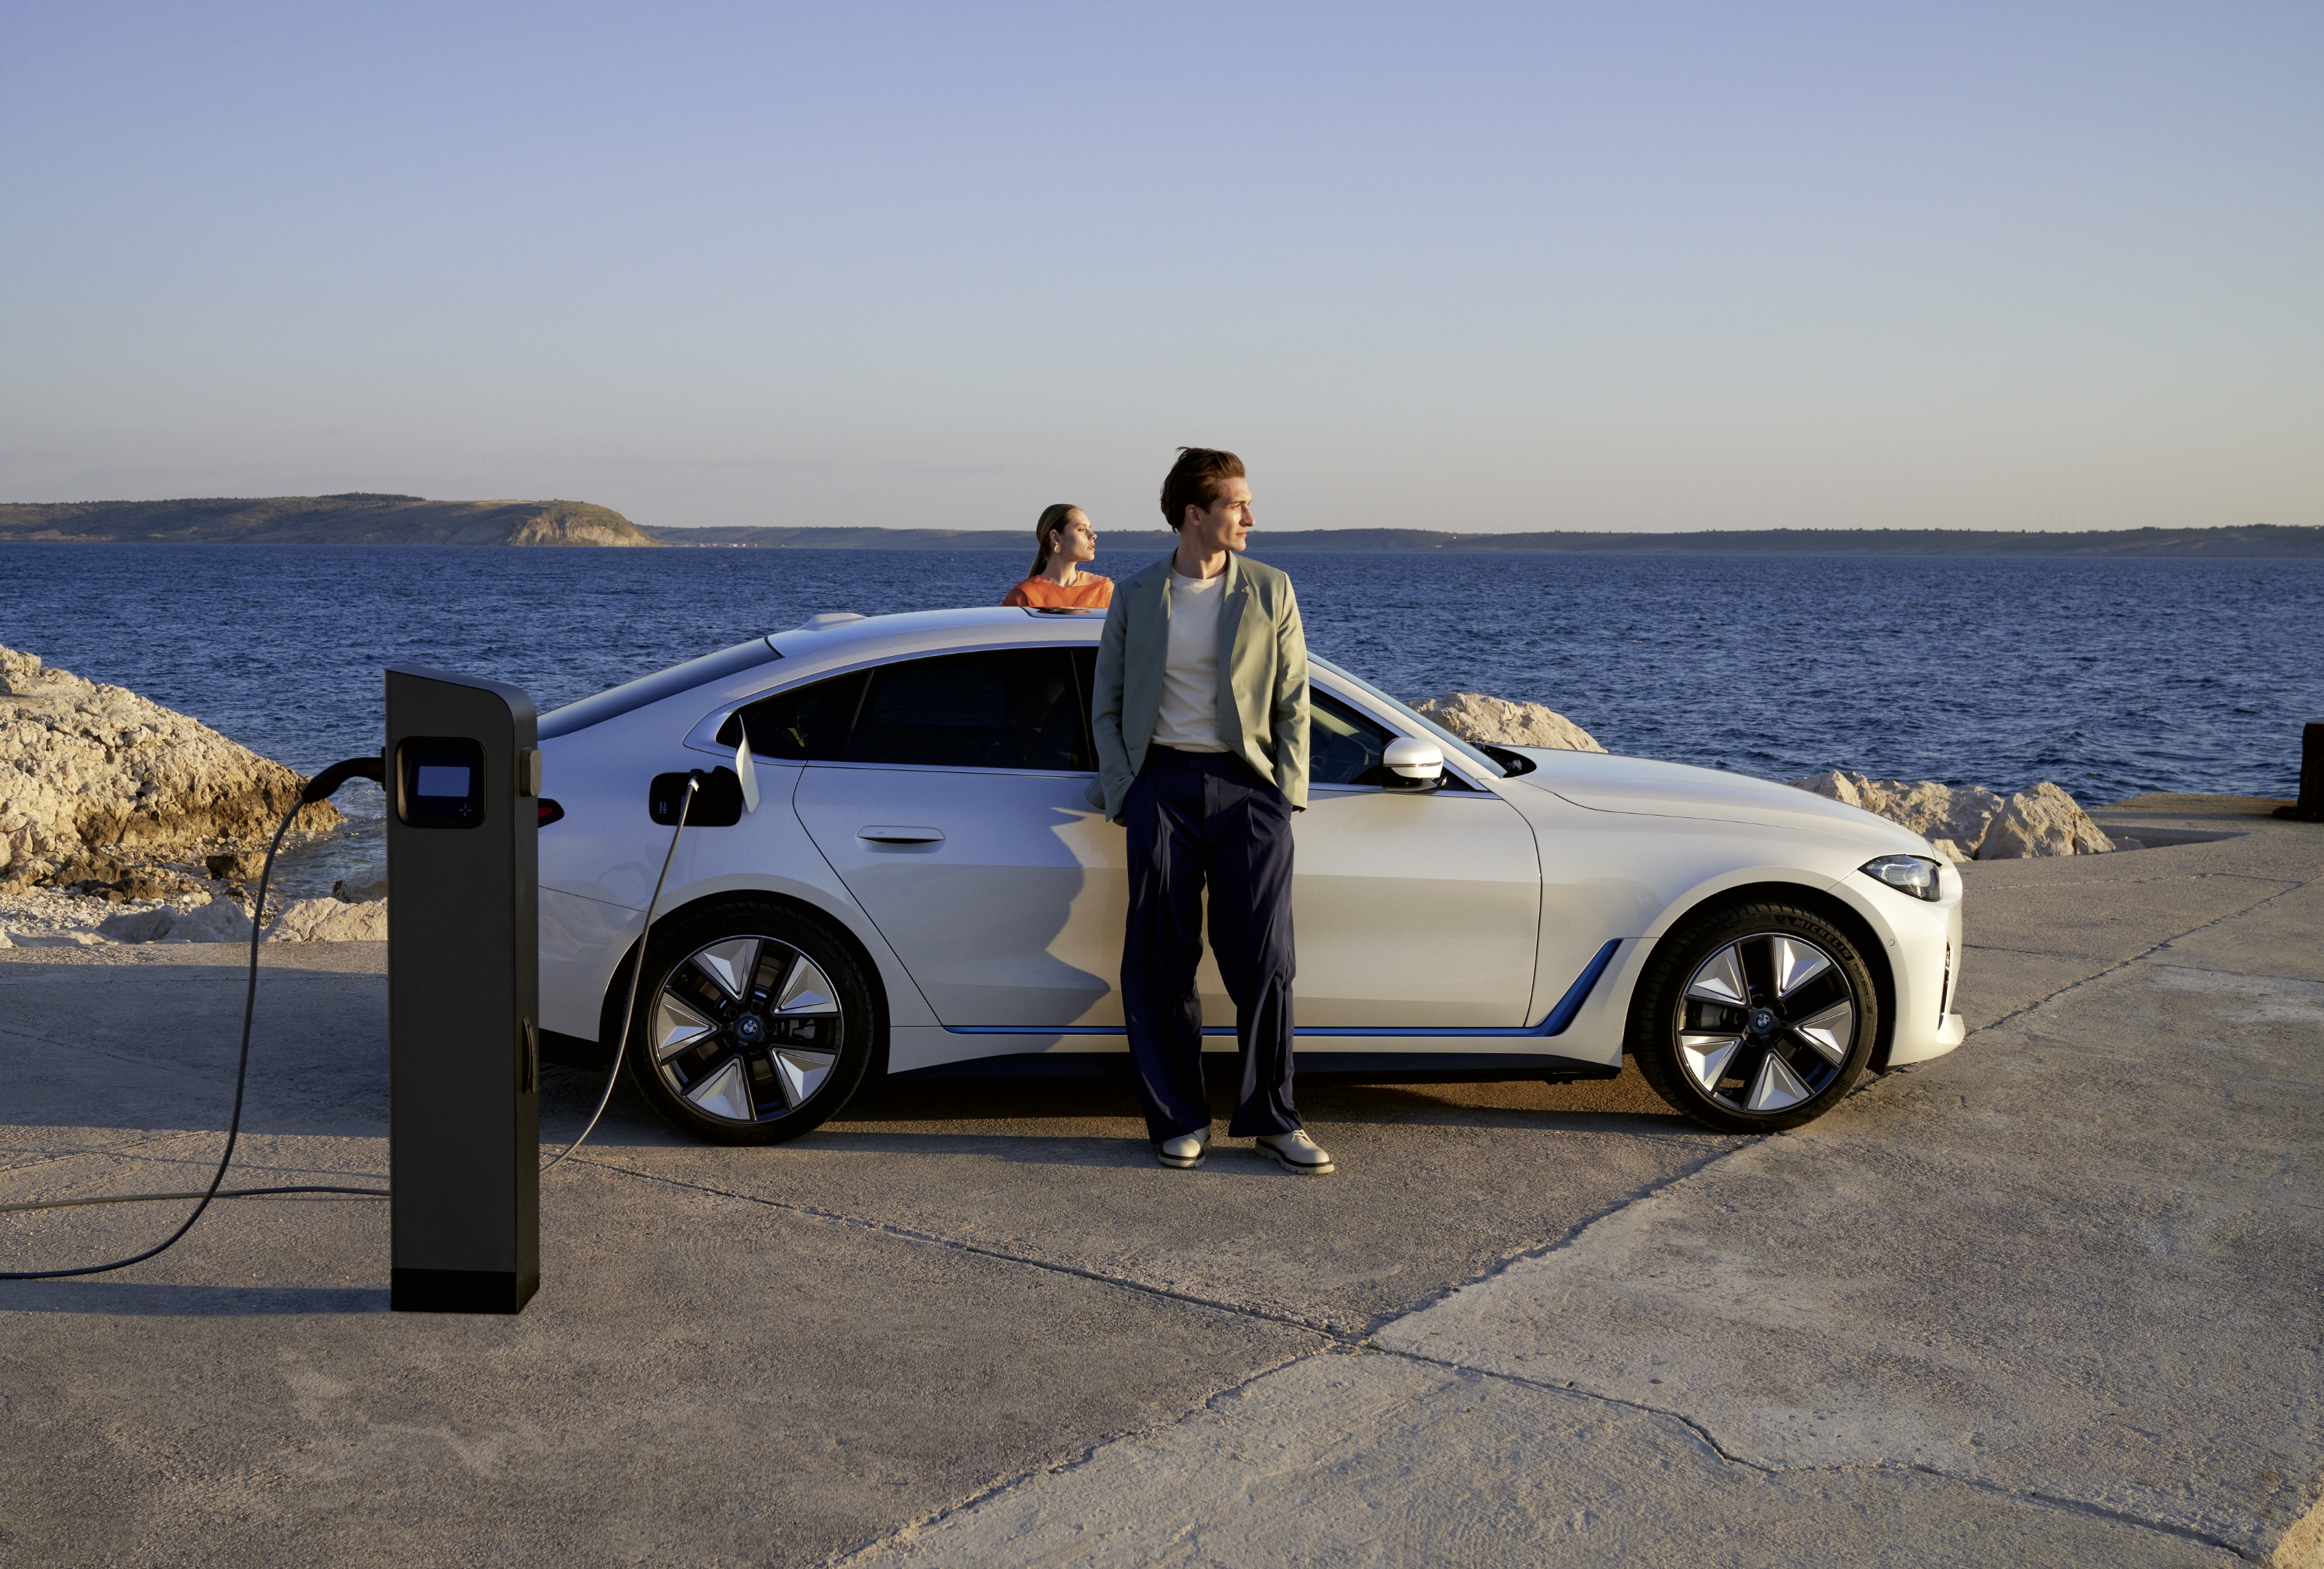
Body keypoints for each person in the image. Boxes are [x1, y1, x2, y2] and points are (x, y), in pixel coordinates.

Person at [1088, 447, 1326, 1175]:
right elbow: (1106, 705)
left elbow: (1294, 701)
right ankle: (1177, 1117)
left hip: (1248, 791)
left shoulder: (1270, 589)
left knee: (1265, 960)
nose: (1249, 518)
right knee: (1161, 960)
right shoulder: (1134, 595)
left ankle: (1272, 1117)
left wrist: (1283, 794)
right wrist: (1129, 787)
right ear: (1195, 513)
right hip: (1162, 785)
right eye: (1235, 505)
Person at [1001, 504, 1112, 609]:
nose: (1093, 535)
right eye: (1081, 530)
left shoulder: (1103, 589)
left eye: (1090, 528)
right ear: (1056, 538)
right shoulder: (1024, 595)